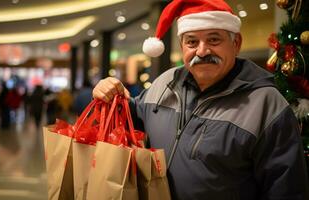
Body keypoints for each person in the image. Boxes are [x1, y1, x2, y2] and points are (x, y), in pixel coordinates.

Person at [92, 0, 309, 199]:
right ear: (182, 46)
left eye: (214, 39)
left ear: (236, 43)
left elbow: (287, 190)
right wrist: (109, 95)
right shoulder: (164, 83)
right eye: (192, 42)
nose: (202, 51)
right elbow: (127, 125)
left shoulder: (266, 104)